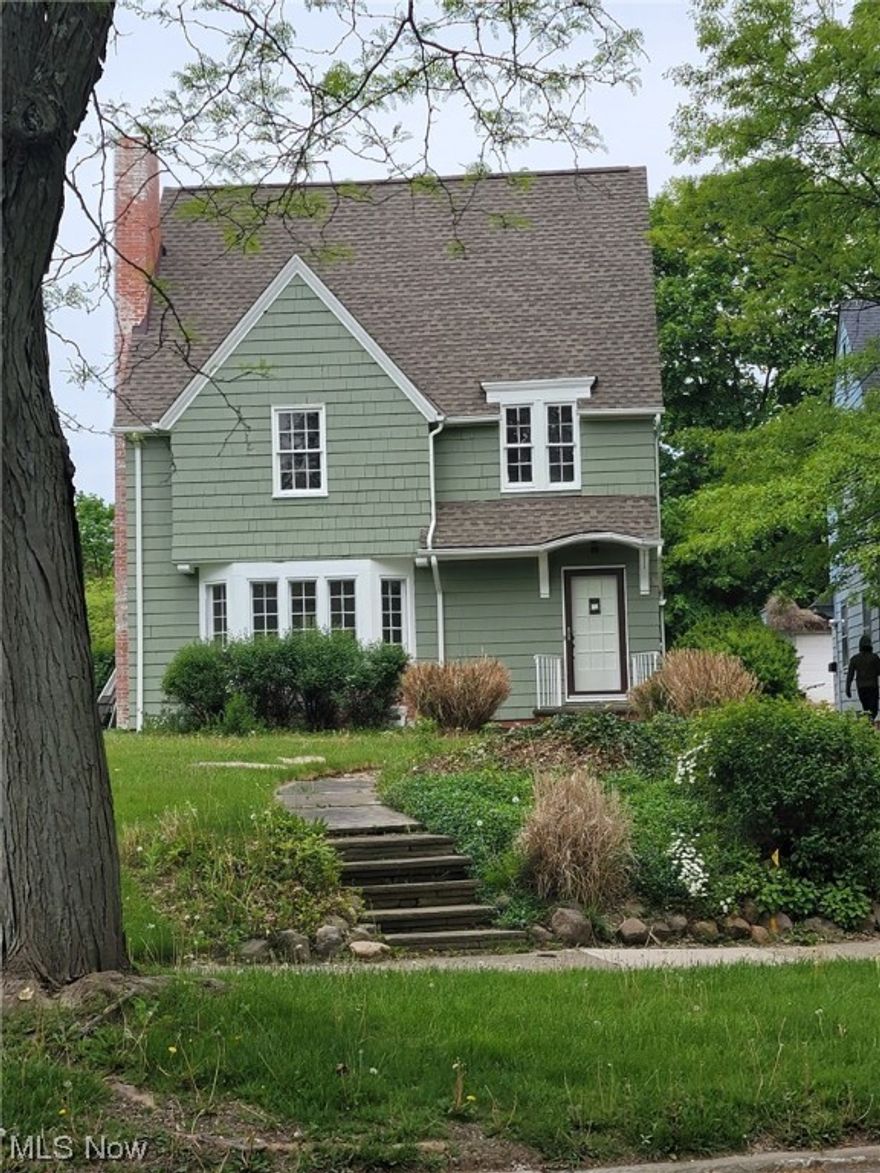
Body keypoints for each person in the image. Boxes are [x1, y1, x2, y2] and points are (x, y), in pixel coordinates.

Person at [846, 633, 880, 721]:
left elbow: (850, 675)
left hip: (861, 687)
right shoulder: (874, 658)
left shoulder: (855, 659)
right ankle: (870, 722)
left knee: (866, 708)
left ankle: (868, 723)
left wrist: (848, 689)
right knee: (874, 709)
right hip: (872, 687)